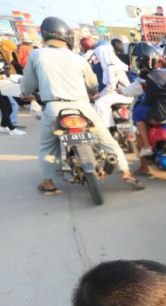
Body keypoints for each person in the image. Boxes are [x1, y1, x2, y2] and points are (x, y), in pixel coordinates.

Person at [20, 17, 144, 194]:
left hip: (54, 108)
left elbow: (27, 85)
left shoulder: (37, 55)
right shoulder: (78, 58)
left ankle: (48, 183)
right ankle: (126, 173)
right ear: (68, 37)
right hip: (82, 106)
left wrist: (26, 94)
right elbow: (92, 84)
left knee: (48, 146)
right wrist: (92, 92)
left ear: (45, 36)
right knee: (106, 140)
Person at [92, 43, 133, 129]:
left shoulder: (111, 67)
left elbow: (111, 87)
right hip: (123, 94)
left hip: (122, 95)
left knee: (99, 104)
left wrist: (99, 95)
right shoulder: (115, 65)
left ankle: (108, 128)